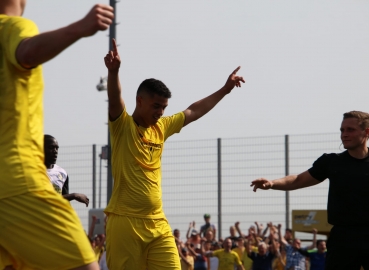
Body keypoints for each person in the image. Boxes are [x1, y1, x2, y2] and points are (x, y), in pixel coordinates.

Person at [103, 38, 245, 269]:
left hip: (158, 223)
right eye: (156, 105)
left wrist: (225, 90)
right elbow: (115, 99)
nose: (160, 112)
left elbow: (194, 111)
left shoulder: (162, 127)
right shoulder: (122, 126)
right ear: (139, 101)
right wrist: (114, 72)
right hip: (124, 223)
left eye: (164, 107)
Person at [0, 1, 114, 269]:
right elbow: (27, 51)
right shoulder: (14, 25)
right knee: (87, 265)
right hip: (18, 182)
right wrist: (80, 27)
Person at [250, 110, 369, 270]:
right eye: (342, 130)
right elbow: (298, 180)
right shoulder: (331, 162)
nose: (344, 134)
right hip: (343, 238)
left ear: (366, 132)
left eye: (350, 130)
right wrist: (272, 183)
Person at [44, 134, 89, 206]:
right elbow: (43, 199)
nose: (55, 151)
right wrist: (74, 195)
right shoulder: (33, 172)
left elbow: (65, 200)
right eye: (51, 147)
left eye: (57, 148)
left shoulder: (62, 173)